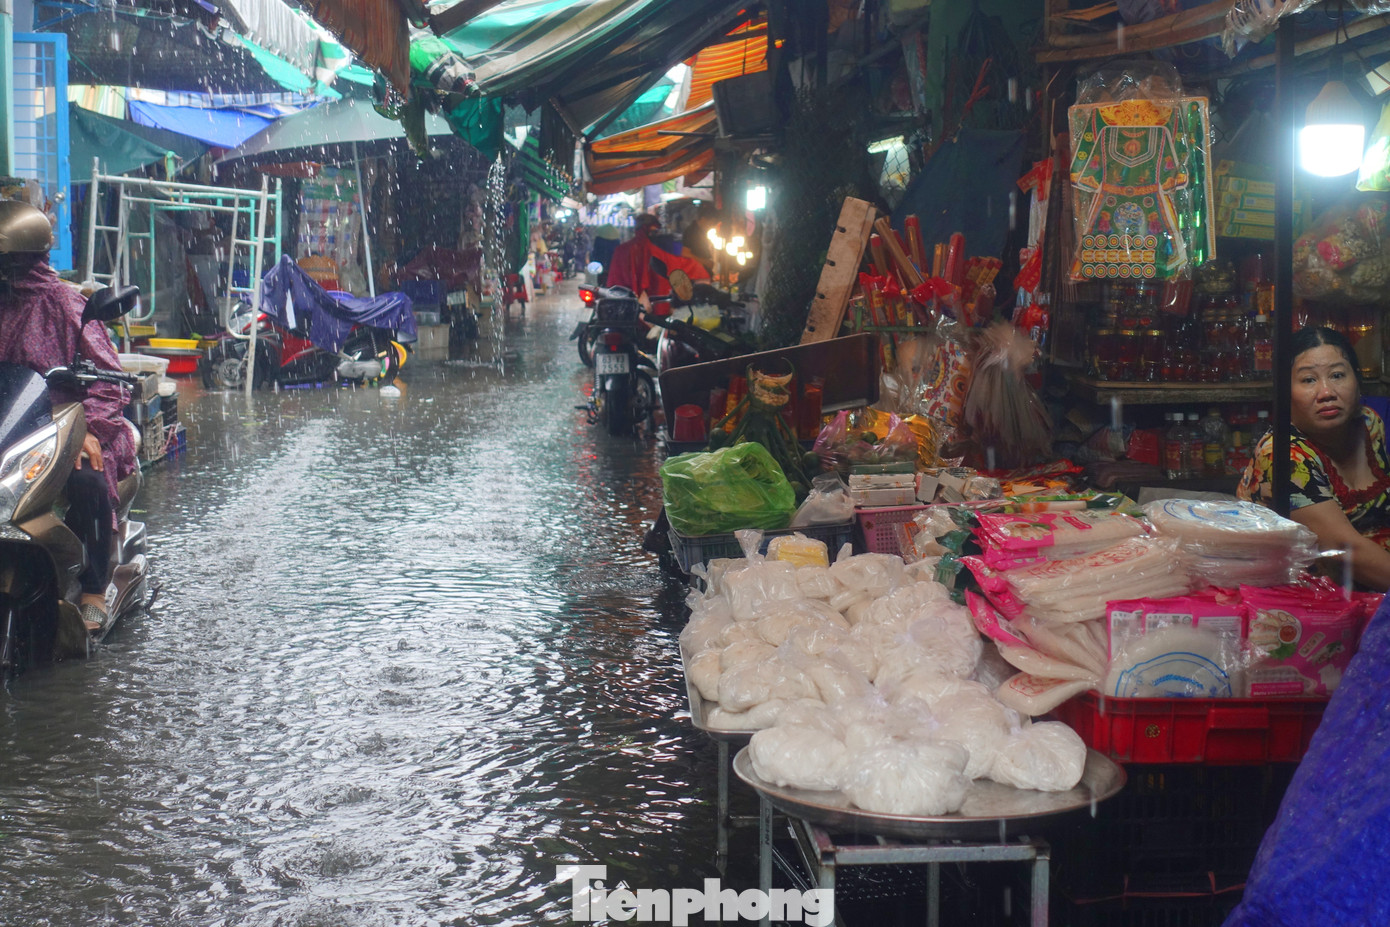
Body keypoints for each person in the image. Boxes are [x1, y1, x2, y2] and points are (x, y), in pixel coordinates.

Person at [0, 200, 137, 627]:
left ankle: (94, 586)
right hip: (11, 422)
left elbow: (109, 381)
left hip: (64, 425)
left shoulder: (66, 304)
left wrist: (86, 429)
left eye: (10, 262)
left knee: (86, 480)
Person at [1238, 325, 1390, 591]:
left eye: (1338, 375)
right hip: (1311, 601)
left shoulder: (1368, 424)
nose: (1326, 392)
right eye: (1309, 380)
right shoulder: (1284, 454)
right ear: (1285, 392)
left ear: (1357, 379)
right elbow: (1343, 549)